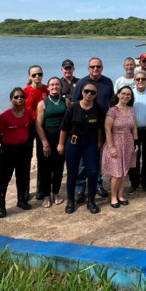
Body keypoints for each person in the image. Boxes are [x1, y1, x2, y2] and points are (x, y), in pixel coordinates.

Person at [60, 82, 104, 214]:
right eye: (86, 91)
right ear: (82, 92)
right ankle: (70, 201)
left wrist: (99, 142)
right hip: (73, 143)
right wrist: (61, 144)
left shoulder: (98, 108)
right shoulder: (73, 107)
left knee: (92, 172)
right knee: (72, 173)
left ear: (96, 94)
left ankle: (91, 201)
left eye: (92, 92)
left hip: (90, 143)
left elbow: (100, 128)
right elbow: (64, 127)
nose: (89, 94)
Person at [72, 57, 113, 199]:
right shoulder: (82, 83)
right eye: (92, 66)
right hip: (85, 127)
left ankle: (98, 184)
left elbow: (112, 102)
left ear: (102, 67)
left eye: (98, 66)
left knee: (99, 158)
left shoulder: (108, 82)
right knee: (83, 161)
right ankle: (80, 188)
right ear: (88, 68)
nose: (95, 69)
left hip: (102, 125)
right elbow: (74, 103)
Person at [0, 87, 33, 218]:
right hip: (7, 151)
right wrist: (6, 143)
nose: (19, 99)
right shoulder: (4, 116)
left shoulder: (28, 114)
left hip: (23, 150)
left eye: (22, 96)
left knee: (22, 177)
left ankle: (21, 200)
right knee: (4, 179)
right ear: (11, 100)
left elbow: (30, 128)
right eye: (16, 97)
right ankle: (1, 205)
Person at [102, 85, 138, 208]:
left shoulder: (131, 110)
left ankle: (121, 195)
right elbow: (107, 129)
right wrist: (111, 147)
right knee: (117, 174)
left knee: (124, 172)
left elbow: (134, 127)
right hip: (115, 142)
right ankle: (113, 197)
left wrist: (136, 143)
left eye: (128, 94)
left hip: (128, 143)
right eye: (123, 93)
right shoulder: (112, 111)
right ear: (118, 94)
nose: (125, 96)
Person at [35, 77, 67, 208]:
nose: (55, 87)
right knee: (45, 168)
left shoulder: (66, 101)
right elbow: (38, 125)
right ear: (47, 87)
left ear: (61, 87)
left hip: (61, 138)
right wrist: (44, 143)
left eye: (57, 84)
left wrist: (62, 142)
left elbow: (67, 122)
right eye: (52, 85)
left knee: (59, 167)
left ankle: (56, 193)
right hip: (46, 137)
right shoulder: (43, 103)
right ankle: (46, 195)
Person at [129, 70, 146, 193]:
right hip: (132, 130)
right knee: (133, 156)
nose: (140, 81)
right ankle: (134, 182)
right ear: (134, 81)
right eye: (138, 79)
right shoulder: (130, 93)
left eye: (143, 79)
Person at [25, 65, 48, 201]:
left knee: (42, 157)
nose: (37, 77)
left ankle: (41, 188)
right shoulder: (25, 91)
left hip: (42, 126)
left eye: (39, 74)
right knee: (26, 158)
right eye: (34, 75)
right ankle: (25, 189)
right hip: (28, 127)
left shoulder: (47, 89)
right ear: (30, 76)